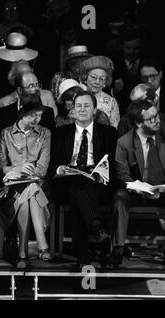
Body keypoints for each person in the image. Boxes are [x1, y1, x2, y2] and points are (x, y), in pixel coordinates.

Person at [50, 91, 117, 270]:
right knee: (78, 184)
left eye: (87, 106)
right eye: (78, 105)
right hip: (67, 181)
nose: (82, 109)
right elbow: (53, 163)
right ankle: (97, 230)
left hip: (96, 183)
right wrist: (60, 169)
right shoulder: (60, 133)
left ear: (95, 110)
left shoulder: (109, 133)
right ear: (72, 109)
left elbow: (112, 164)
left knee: (80, 193)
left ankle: (82, 254)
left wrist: (98, 173)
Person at [0, 95, 52, 268]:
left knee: (32, 187)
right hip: (11, 186)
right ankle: (42, 244)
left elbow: (42, 168)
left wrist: (30, 174)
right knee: (29, 190)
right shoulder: (6, 133)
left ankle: (22, 253)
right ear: (22, 114)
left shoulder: (45, 133)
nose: (37, 119)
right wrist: (16, 170)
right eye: (32, 115)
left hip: (39, 185)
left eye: (39, 115)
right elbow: (0, 164)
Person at [111, 100, 165, 267]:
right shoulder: (124, 143)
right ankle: (118, 248)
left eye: (157, 116)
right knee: (119, 197)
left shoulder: (163, 136)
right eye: (151, 119)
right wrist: (141, 189)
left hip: (162, 190)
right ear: (138, 123)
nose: (157, 121)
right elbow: (123, 175)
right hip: (136, 191)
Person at [80, 56, 120, 128]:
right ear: (86, 77)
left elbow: (114, 129)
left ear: (105, 82)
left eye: (102, 79)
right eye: (93, 77)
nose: (97, 82)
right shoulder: (77, 97)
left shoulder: (111, 102)